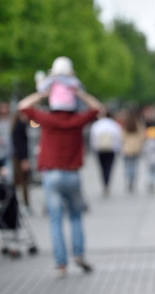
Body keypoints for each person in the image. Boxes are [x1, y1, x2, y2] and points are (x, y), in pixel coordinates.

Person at [17, 58, 103, 278]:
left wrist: (43, 91)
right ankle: (79, 255)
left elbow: (22, 106)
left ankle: (61, 264)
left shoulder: (46, 119)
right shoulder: (76, 120)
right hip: (72, 174)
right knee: (75, 216)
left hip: (51, 175)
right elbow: (98, 108)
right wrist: (77, 90)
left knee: (55, 220)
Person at [89, 110, 122, 196]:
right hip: (111, 149)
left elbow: (93, 138)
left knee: (102, 168)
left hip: (100, 149)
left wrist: (94, 148)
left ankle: (104, 183)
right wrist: (117, 148)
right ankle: (107, 184)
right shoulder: (113, 124)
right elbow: (118, 137)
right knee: (109, 167)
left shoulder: (96, 125)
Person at [121, 108, 145, 192]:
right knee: (134, 166)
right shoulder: (138, 124)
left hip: (127, 148)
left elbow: (122, 137)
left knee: (127, 166)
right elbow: (142, 135)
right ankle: (132, 180)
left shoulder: (126, 124)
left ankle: (128, 178)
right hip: (135, 147)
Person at [11, 111, 31, 214]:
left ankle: (14, 205)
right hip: (20, 158)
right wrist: (24, 159)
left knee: (18, 182)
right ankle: (20, 206)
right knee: (22, 182)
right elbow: (20, 145)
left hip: (18, 157)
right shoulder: (20, 126)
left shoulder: (18, 126)